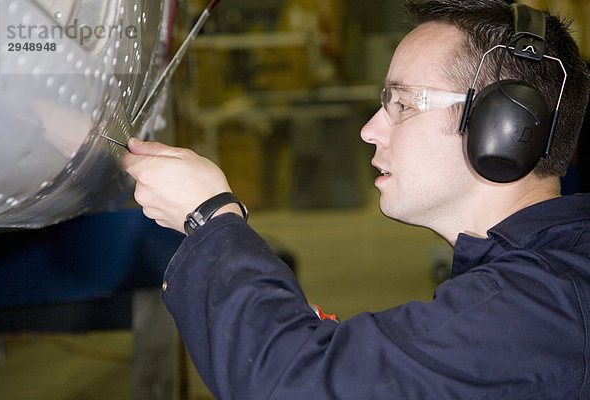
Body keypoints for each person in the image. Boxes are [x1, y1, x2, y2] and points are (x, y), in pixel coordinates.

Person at [122, 0, 590, 398]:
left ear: (504, 128)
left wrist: (210, 215)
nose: (370, 131)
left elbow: (295, 383)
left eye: (403, 105)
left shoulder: (536, 310)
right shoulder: (549, 277)